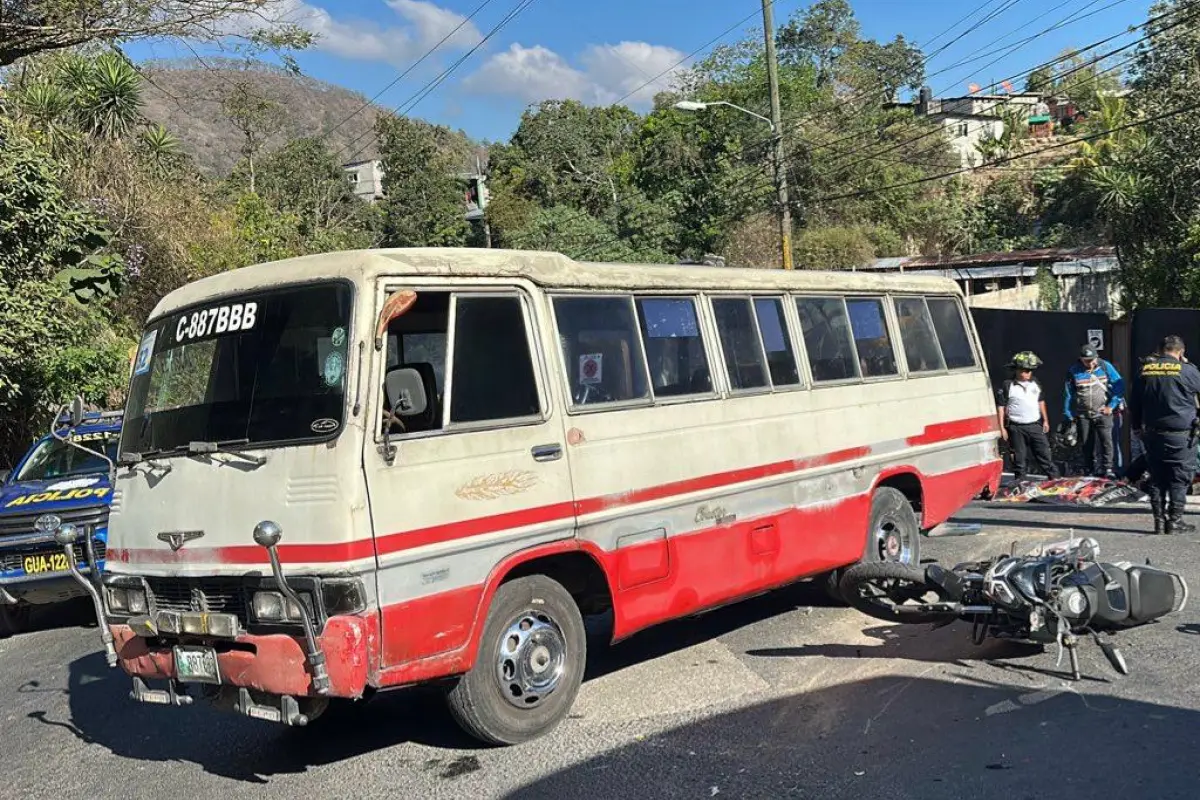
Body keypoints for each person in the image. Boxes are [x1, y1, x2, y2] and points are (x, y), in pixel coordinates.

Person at [1137, 335, 1200, 535]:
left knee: (1156, 477)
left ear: (1161, 350)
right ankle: (1175, 520)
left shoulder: (1146, 371)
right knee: (1179, 477)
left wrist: (1138, 428)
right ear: (1181, 352)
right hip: (1181, 435)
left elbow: (1135, 403)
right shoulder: (1188, 371)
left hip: (1153, 434)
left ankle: (1158, 521)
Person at [1064, 344, 1124, 478]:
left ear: (1096, 357)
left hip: (1103, 412)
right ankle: (1089, 469)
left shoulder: (1105, 366)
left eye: (1092, 360)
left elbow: (1119, 386)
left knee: (1106, 442)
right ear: (1081, 359)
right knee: (1086, 443)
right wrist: (1068, 413)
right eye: (1086, 361)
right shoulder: (1074, 371)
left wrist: (1111, 406)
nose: (1090, 364)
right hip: (1083, 414)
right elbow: (1069, 393)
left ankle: (1108, 469)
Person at [996, 351, 1058, 481]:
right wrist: (1002, 428)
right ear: (1017, 370)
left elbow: (1041, 401)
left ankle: (1055, 479)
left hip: (1035, 425)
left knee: (1044, 454)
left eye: (1030, 371)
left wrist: (1045, 421)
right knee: (1019, 458)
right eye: (1024, 370)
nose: (1027, 373)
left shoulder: (1036, 383)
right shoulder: (1008, 385)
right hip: (1016, 427)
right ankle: (1020, 482)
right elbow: (1001, 407)